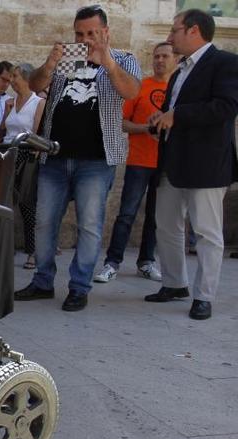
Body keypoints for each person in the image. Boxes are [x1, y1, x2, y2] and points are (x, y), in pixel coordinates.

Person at [15, 5, 140, 312]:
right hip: (54, 156)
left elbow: (132, 90)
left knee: (90, 225)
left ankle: (79, 287)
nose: (85, 40)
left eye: (91, 34)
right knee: (44, 222)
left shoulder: (124, 59)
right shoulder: (66, 59)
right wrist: (50, 63)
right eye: (79, 33)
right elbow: (35, 84)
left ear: (105, 33)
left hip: (96, 160)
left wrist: (107, 61)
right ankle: (43, 282)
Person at [145, 9, 238, 320]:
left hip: (206, 165)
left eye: (175, 31)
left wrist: (178, 116)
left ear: (194, 31)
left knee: (207, 233)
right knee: (166, 226)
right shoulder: (181, 68)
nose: (170, 38)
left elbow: (225, 107)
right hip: (172, 160)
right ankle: (174, 284)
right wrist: (162, 118)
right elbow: (176, 109)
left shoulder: (225, 63)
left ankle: (204, 296)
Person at [94, 42, 177, 284]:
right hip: (139, 161)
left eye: (165, 56)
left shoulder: (179, 89)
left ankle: (146, 262)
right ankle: (112, 263)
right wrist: (147, 128)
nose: (160, 60)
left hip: (167, 164)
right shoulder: (141, 87)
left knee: (156, 216)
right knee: (126, 214)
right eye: (156, 56)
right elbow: (122, 122)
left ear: (175, 60)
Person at [0, 62, 45, 269]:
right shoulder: (11, 102)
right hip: (8, 153)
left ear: (26, 78)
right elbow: (3, 130)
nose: (11, 80)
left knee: (27, 204)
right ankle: (2, 247)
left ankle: (32, 252)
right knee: (5, 201)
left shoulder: (38, 102)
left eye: (15, 76)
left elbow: (36, 133)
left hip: (26, 155)